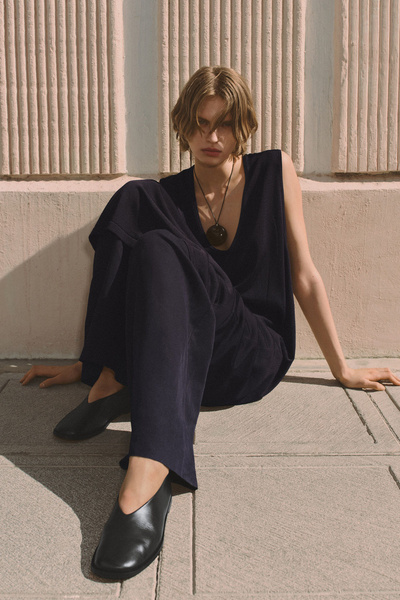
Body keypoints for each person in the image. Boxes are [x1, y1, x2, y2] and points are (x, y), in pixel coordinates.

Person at [20, 66, 400, 580]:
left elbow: (304, 274)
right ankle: (108, 377)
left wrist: (343, 368)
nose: (212, 137)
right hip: (190, 366)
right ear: (183, 125)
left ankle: (152, 465)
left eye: (224, 124)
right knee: (137, 201)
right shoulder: (169, 195)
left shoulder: (273, 171)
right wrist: (85, 363)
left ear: (243, 126)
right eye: (200, 123)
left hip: (250, 353)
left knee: (150, 221)